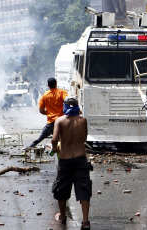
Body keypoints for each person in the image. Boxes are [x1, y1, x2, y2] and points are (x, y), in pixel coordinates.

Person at [51, 96, 92, 230]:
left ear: (65, 107)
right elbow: (84, 137)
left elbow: (54, 139)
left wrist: (55, 148)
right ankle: (85, 221)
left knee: (62, 188)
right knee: (84, 188)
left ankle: (62, 217)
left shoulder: (60, 120)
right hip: (81, 159)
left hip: (65, 160)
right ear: (77, 106)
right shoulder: (83, 120)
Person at [28, 78, 68, 148]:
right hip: (61, 121)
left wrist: (50, 113)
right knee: (63, 141)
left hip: (51, 123)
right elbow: (67, 100)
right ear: (56, 83)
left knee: (39, 139)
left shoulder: (45, 95)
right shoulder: (62, 92)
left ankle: (27, 150)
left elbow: (41, 110)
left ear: (48, 85)